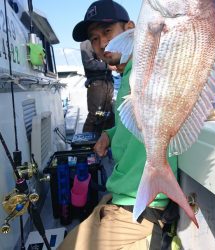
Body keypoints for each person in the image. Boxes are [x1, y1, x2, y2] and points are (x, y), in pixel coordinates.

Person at [59, 1, 179, 249]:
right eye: (94, 38)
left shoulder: (148, 68)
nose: (101, 44)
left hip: (143, 205)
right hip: (118, 197)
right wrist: (109, 134)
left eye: (107, 32)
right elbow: (132, 122)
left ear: (131, 28)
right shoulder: (125, 76)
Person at [80, 39, 115, 134]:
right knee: (95, 114)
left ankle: (104, 142)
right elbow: (88, 63)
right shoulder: (87, 43)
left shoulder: (106, 42)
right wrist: (107, 66)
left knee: (107, 114)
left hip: (108, 82)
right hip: (97, 84)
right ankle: (85, 144)